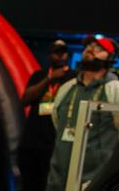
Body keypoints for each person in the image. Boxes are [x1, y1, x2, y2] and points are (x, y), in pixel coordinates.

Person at [46, 36, 119, 191]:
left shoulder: (117, 90)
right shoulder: (67, 88)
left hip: (97, 180)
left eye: (99, 48)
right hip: (59, 177)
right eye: (88, 46)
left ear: (110, 57)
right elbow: (57, 122)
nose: (90, 50)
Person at [19, 40, 76, 191]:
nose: (60, 56)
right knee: (30, 182)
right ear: (49, 55)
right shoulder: (40, 75)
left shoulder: (73, 78)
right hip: (34, 140)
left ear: (68, 55)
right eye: (56, 52)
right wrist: (49, 79)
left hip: (56, 141)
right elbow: (25, 99)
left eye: (63, 52)